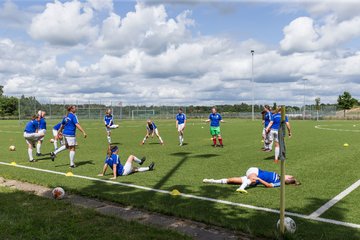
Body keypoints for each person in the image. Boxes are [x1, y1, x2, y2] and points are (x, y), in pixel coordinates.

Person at [203, 167, 300, 194]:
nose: (287, 177)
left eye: (288, 179)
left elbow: (269, 186)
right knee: (253, 180)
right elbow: (292, 177)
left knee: (231, 180)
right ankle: (241, 189)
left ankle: (211, 181)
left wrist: (260, 180)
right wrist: (295, 181)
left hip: (254, 178)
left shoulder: (279, 183)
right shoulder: (280, 175)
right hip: (254, 170)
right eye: (288, 177)